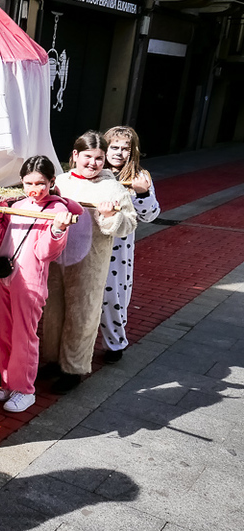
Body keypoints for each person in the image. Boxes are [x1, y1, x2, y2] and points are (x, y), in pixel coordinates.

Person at [40, 131, 137, 393]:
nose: (93, 163)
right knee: (53, 313)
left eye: (99, 158)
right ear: (75, 155)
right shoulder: (60, 182)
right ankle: (53, 360)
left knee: (82, 315)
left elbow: (129, 224)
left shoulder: (112, 187)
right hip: (57, 260)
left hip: (90, 264)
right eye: (87, 157)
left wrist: (110, 216)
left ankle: (73, 369)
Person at [0, 156, 79, 413]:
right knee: (2, 332)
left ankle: (25, 389)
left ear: (51, 181)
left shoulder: (57, 210)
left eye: (40, 183)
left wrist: (57, 230)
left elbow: (45, 253)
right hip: (2, 274)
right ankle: (8, 382)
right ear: (21, 181)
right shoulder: (17, 204)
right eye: (29, 183)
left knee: (25, 336)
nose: (35, 189)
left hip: (29, 281)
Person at [99, 126, 160, 363]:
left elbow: (151, 215)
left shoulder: (139, 176)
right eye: (114, 147)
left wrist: (142, 193)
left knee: (113, 295)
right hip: (89, 243)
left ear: (133, 151)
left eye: (125, 148)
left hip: (118, 247)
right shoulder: (94, 169)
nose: (118, 152)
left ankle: (115, 344)